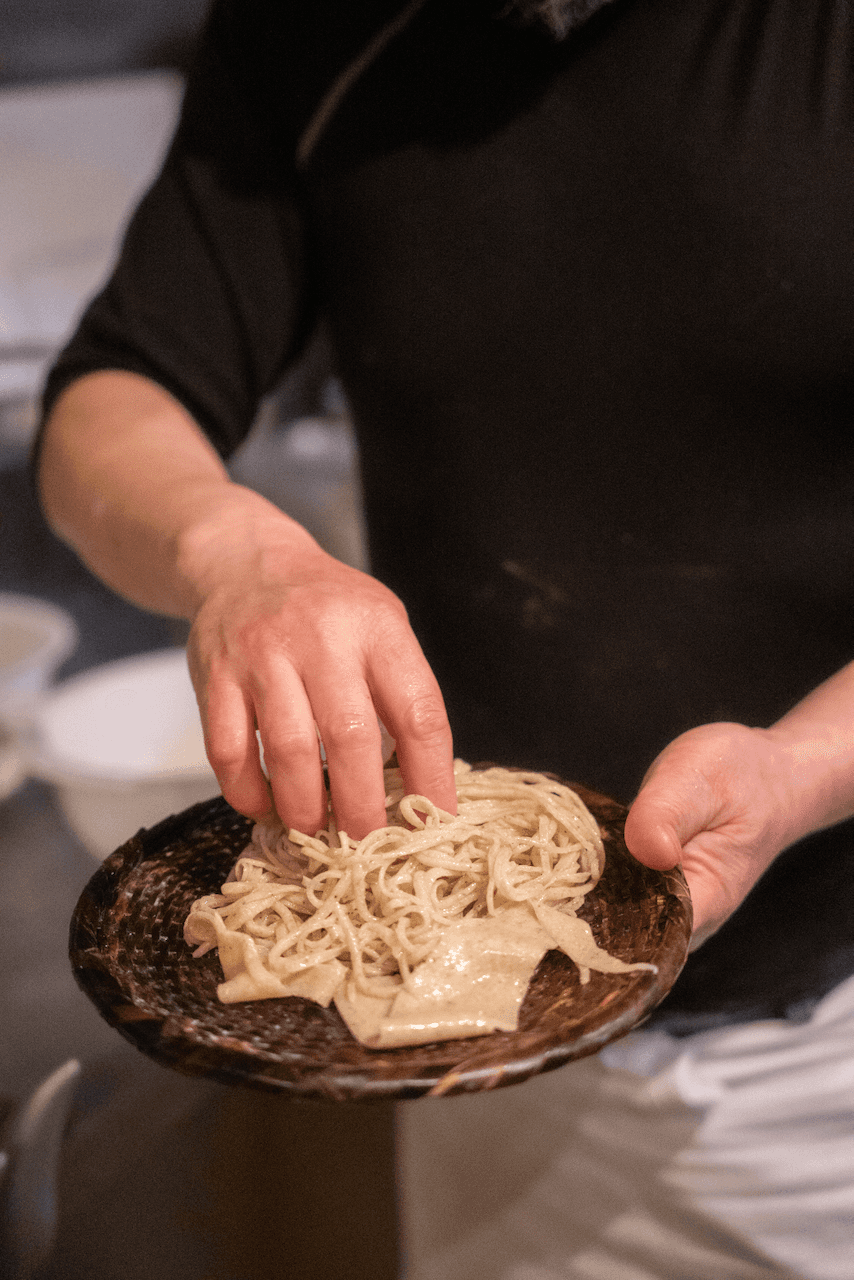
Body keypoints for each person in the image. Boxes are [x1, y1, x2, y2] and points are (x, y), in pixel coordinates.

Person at [34, 0, 854, 1275]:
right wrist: (236, 551)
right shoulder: (317, 26)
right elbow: (113, 390)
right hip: (463, 1041)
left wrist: (802, 766)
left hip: (820, 1049)